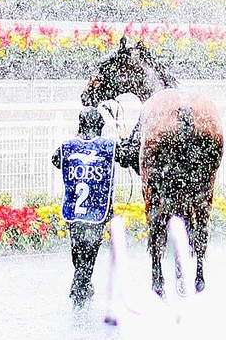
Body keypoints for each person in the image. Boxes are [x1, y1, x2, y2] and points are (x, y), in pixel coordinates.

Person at [51, 106, 133, 309]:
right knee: (89, 251)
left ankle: (81, 283)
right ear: (100, 125)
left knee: (78, 250)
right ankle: (80, 285)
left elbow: (55, 160)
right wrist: (124, 138)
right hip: (97, 209)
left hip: (74, 212)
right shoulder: (107, 146)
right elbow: (127, 158)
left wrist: (75, 143)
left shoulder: (68, 146)